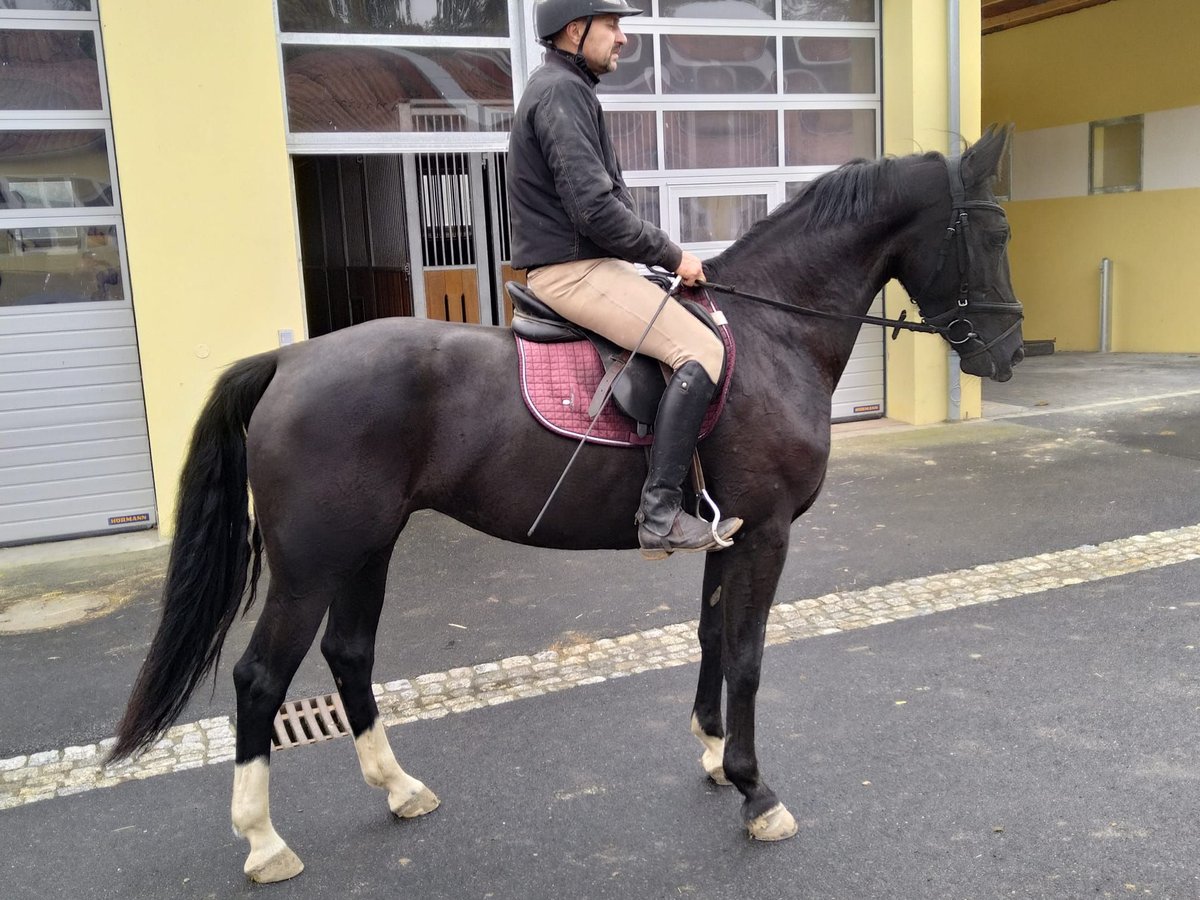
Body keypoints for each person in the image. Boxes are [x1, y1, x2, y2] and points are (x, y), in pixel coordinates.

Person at [507, 0, 742, 559]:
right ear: (574, 30)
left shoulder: (568, 89)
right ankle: (660, 513)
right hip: (572, 270)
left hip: (584, 262)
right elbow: (595, 210)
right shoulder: (561, 92)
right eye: (612, 25)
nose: (622, 38)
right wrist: (672, 254)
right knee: (701, 349)